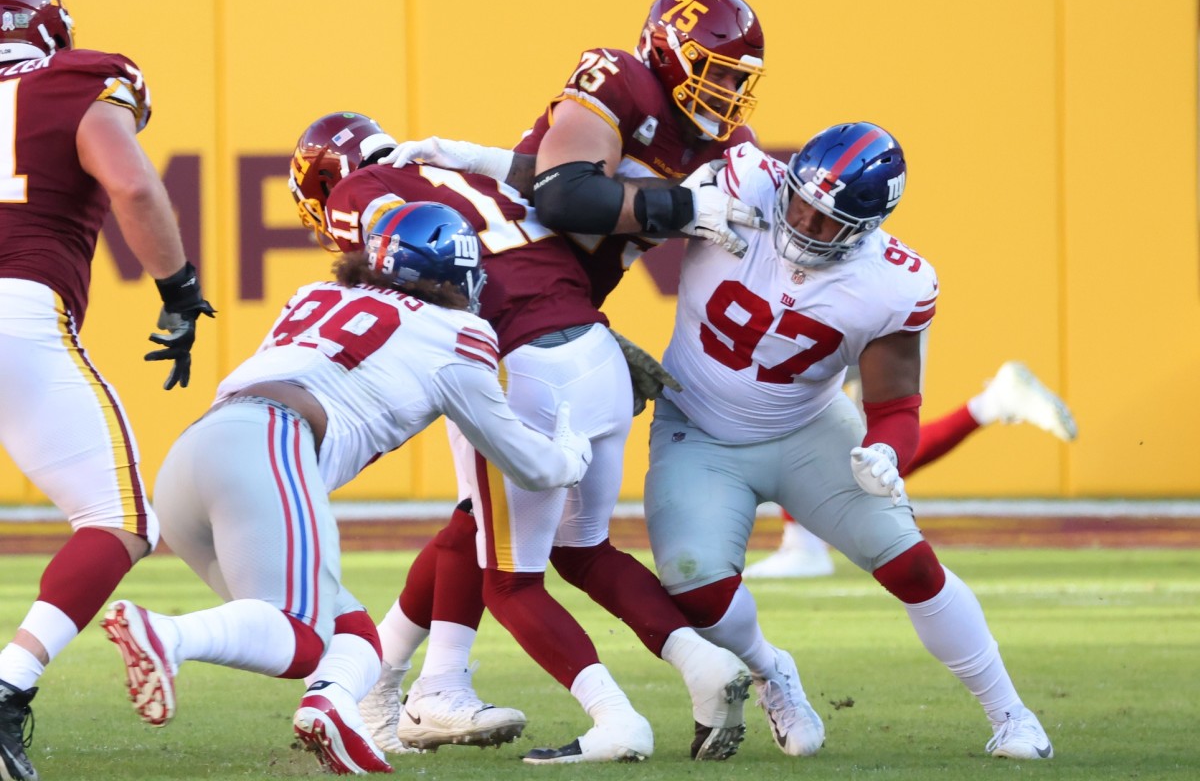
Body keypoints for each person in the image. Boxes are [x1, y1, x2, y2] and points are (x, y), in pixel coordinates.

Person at [287, 109, 755, 764]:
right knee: (566, 546)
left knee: (509, 579)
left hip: (517, 366)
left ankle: (613, 719)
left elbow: (406, 280)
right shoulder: (458, 176)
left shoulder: (357, 196)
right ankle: (702, 665)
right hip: (595, 349)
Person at [99, 202, 594, 776]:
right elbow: (529, 466)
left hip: (194, 456)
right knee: (300, 635)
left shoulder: (317, 295)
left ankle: (331, 709)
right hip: (273, 442)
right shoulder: (456, 332)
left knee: (349, 630)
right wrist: (572, 453)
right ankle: (164, 633)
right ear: (445, 275)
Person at [643, 121, 1055, 760]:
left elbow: (897, 405)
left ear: (867, 227)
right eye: (802, 201)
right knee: (695, 589)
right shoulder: (741, 184)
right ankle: (769, 669)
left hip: (808, 429)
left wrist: (888, 451)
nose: (805, 222)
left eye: (829, 219)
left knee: (910, 563)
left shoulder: (893, 282)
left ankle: (1012, 716)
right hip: (696, 431)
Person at [0, 0, 215, 780]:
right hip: (15, 310)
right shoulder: (78, 79)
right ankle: (8, 684)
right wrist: (180, 289)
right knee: (118, 517)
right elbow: (131, 185)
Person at [745, 363, 1080, 579]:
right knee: (865, 449)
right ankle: (989, 405)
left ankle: (803, 544)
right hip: (883, 297)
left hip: (836, 303)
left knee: (782, 391)